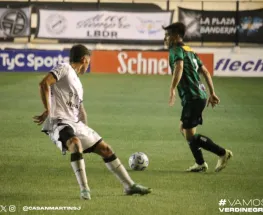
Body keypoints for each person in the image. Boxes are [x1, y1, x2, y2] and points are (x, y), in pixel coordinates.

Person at [33, 44, 151, 199]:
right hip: (59, 122)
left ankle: (130, 186)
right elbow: (44, 84)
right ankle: (85, 189)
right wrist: (48, 109)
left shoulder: (78, 84)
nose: (88, 66)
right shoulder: (64, 68)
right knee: (75, 144)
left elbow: (80, 109)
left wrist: (87, 131)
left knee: (106, 149)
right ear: (84, 59)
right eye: (88, 62)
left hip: (75, 123)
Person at [163, 22, 233, 172]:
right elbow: (206, 72)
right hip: (199, 95)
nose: (165, 38)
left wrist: (172, 88)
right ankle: (200, 163)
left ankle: (222, 153)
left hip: (192, 97)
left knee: (189, 134)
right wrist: (212, 93)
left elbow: (179, 67)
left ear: (175, 36)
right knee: (184, 129)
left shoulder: (176, 49)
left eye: (167, 35)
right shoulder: (190, 50)